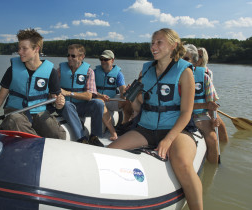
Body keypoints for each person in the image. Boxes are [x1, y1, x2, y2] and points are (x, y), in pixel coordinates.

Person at [108, 28, 203, 210]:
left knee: (183, 164)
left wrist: (168, 139)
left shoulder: (185, 71)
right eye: (152, 42)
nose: (154, 46)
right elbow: (138, 107)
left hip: (177, 129)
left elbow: (186, 113)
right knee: (110, 151)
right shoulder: (145, 70)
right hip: (146, 127)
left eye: (159, 42)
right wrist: (134, 97)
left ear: (173, 46)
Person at [0, 28, 66, 139]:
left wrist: (59, 104)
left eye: (24, 49)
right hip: (15, 112)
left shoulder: (51, 72)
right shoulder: (11, 70)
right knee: (15, 120)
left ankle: (37, 142)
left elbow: (56, 100)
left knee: (58, 135)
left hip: (39, 113)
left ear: (36, 49)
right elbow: (0, 97)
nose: (19, 52)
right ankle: (36, 143)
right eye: (19, 48)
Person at [57, 44, 104, 146]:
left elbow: (89, 96)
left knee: (98, 103)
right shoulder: (60, 70)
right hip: (64, 106)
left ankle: (94, 136)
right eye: (68, 55)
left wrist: (68, 93)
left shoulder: (89, 72)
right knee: (68, 104)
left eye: (73, 56)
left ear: (82, 57)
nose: (69, 58)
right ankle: (81, 138)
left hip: (81, 106)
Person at [94, 50, 133, 140]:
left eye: (106, 59)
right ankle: (111, 129)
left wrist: (126, 91)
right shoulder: (94, 72)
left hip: (112, 100)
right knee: (99, 101)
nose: (103, 61)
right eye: (101, 59)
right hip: (99, 99)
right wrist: (100, 96)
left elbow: (122, 91)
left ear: (112, 60)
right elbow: (89, 89)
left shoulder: (118, 74)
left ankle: (124, 125)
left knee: (128, 101)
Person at [197, 47, 229, 143]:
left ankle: (224, 144)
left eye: (199, 56)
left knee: (221, 127)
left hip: (207, 104)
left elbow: (209, 93)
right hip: (197, 106)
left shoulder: (208, 73)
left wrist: (211, 111)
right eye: (195, 55)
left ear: (204, 58)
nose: (197, 58)